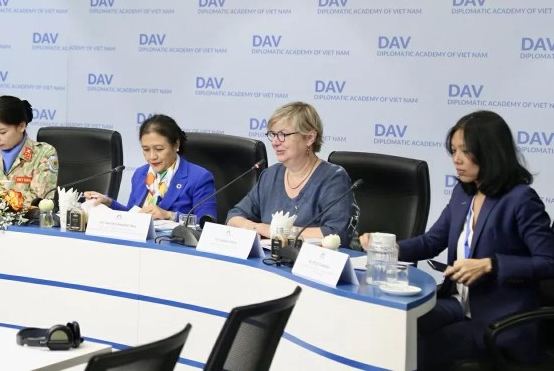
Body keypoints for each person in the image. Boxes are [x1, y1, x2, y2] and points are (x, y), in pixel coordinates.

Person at [360, 110, 554, 369]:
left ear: (491, 151)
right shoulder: (463, 194)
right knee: (394, 324)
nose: (457, 160)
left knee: (415, 347)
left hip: (498, 319)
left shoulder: (521, 199)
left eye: (465, 151)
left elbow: (548, 261)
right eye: (453, 151)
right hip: (457, 304)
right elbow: (432, 241)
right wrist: (392, 249)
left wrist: (491, 265)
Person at [226, 102, 352, 243]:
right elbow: (233, 217)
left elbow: (336, 233)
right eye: (273, 134)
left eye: (282, 135)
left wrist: (280, 232)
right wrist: (258, 228)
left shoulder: (333, 178)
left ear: (310, 137)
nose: (274, 142)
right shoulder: (270, 175)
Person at [86, 114, 216, 222]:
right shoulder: (140, 174)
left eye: (159, 149)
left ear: (176, 144)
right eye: (146, 149)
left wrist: (169, 215)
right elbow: (133, 215)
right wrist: (109, 203)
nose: (152, 157)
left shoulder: (199, 177)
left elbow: (206, 222)